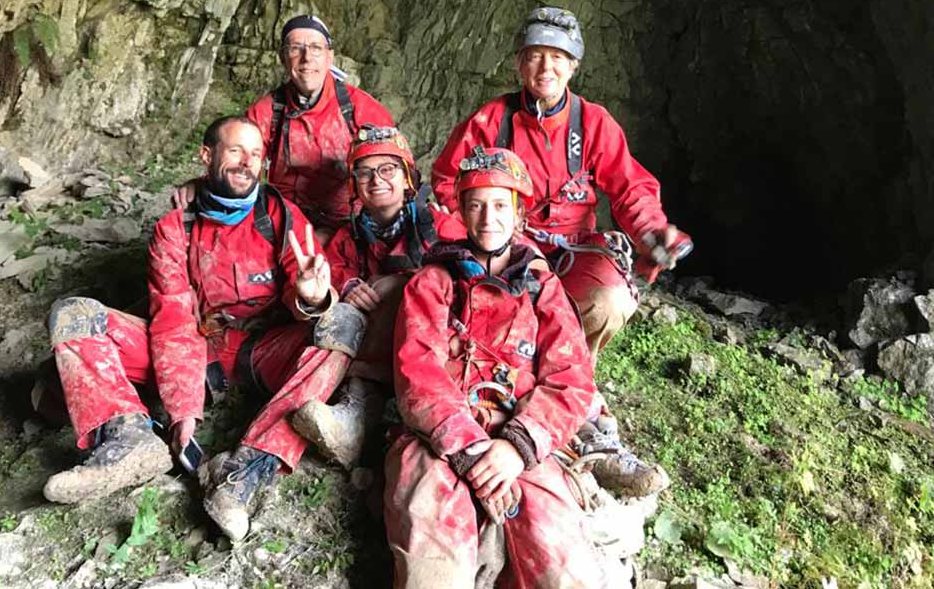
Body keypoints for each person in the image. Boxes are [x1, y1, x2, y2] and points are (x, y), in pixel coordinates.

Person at [42, 116, 370, 542]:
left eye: (255, 154)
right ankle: (128, 438)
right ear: (207, 156)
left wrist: (311, 297)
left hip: (263, 348)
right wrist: (182, 411)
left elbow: (301, 298)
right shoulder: (175, 228)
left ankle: (247, 470)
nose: (246, 163)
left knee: (344, 321)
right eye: (235, 151)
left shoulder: (281, 217)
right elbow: (174, 319)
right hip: (201, 345)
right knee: (74, 314)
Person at [431, 5, 688, 497]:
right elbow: (446, 185)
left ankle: (573, 396)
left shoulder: (592, 124)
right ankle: (570, 419)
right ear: (518, 64)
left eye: (557, 58)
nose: (545, 68)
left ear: (573, 67)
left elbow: (630, 188)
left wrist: (653, 231)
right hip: (505, 249)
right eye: (535, 56)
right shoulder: (490, 121)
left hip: (570, 253)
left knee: (610, 299)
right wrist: (471, 240)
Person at [385, 146, 601, 588]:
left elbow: (571, 380)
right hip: (439, 441)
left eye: (501, 205)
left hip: (521, 439)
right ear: (461, 212)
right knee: (433, 555)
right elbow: (417, 373)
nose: (488, 218)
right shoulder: (433, 283)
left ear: (519, 214)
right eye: (477, 205)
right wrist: (469, 451)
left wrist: (516, 448)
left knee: (560, 562)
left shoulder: (543, 289)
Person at [291, 125, 465, 469]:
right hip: (381, 350)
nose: (376, 180)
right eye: (365, 172)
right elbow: (333, 272)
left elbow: (475, 277)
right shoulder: (348, 237)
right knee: (339, 315)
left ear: (407, 178)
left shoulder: (442, 228)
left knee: (407, 294)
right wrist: (350, 285)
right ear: (354, 185)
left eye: (388, 169)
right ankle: (357, 412)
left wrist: (402, 281)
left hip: (440, 348)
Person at [244, 14, 396, 244]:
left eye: (316, 48)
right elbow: (238, 161)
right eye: (296, 48)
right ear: (283, 57)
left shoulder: (362, 110)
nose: (306, 59)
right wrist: (202, 185)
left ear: (329, 57)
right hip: (285, 223)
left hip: (350, 227)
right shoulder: (267, 112)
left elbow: (392, 175)